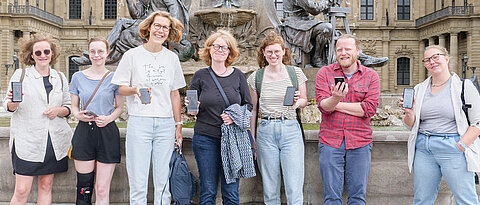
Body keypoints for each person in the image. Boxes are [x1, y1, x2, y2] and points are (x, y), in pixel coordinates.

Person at [111, 11, 185, 204]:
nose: (161, 30)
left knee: (163, 182)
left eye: (165, 27)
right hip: (139, 122)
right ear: (149, 27)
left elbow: (175, 93)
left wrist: (178, 124)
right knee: (138, 180)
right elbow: (120, 88)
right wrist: (134, 89)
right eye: (157, 26)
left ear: (169, 32)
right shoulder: (132, 56)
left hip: (165, 124)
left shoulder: (172, 59)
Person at [402, 45, 480, 205]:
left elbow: (477, 122)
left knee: (466, 200)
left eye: (436, 57)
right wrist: (409, 113)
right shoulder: (419, 89)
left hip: (453, 148)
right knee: (422, 200)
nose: (432, 62)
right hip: (424, 149)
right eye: (427, 60)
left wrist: (460, 145)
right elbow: (410, 125)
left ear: (446, 58)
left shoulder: (464, 86)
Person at [3, 33, 72, 204]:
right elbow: (8, 106)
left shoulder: (60, 78)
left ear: (52, 54)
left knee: (46, 185)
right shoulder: (21, 75)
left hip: (53, 140)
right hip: (27, 141)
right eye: (38, 52)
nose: (43, 55)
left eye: (46, 51)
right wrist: (14, 102)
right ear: (31, 55)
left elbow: (68, 107)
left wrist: (58, 110)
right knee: (21, 190)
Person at [186, 30, 253, 204]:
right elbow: (193, 111)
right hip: (205, 139)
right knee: (208, 190)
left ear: (230, 52)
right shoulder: (200, 76)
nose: (220, 50)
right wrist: (193, 108)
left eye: (224, 47)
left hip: (232, 140)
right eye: (216, 46)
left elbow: (248, 105)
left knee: (230, 192)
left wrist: (234, 117)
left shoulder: (238, 75)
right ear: (209, 49)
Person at [314, 34, 380, 204]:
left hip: (360, 142)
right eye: (339, 50)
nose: (343, 53)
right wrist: (335, 99)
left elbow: (369, 109)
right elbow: (323, 107)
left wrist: (335, 103)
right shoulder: (324, 73)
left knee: (358, 197)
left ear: (357, 51)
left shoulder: (371, 76)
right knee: (331, 197)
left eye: (347, 49)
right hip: (330, 142)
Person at [247, 31, 308, 204]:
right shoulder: (255, 77)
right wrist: (252, 136)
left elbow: (304, 100)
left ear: (283, 52)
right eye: (269, 52)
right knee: (270, 188)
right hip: (266, 130)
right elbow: (253, 109)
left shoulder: (295, 73)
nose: (273, 55)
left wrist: (297, 101)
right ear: (264, 54)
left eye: (276, 51)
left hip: (290, 128)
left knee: (294, 187)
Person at [69, 38, 125, 205]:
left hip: (107, 132)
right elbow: (73, 106)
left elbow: (119, 107)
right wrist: (79, 115)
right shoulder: (78, 77)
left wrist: (108, 118)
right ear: (88, 53)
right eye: (93, 51)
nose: (96, 55)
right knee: (84, 188)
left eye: (100, 51)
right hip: (84, 132)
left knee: (102, 189)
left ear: (107, 53)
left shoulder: (115, 78)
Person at [72, 0, 192, 65]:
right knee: (121, 24)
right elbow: (136, 14)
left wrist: (167, 30)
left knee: (124, 35)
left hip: (160, 28)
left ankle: (99, 56)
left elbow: (175, 11)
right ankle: (102, 55)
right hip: (146, 25)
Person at [277, 0, 388, 68]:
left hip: (305, 22)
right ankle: (316, 58)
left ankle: (362, 57)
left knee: (338, 35)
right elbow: (314, 8)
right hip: (294, 24)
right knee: (327, 28)